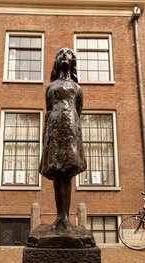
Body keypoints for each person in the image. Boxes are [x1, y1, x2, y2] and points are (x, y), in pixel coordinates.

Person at [40, 48, 86, 231]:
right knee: (56, 174)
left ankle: (65, 218)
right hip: (54, 131)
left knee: (67, 175)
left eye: (69, 54)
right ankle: (59, 216)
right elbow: (48, 111)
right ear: (56, 61)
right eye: (61, 53)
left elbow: (78, 111)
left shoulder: (77, 88)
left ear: (73, 62)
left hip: (70, 131)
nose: (65, 55)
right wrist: (46, 137)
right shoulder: (49, 88)